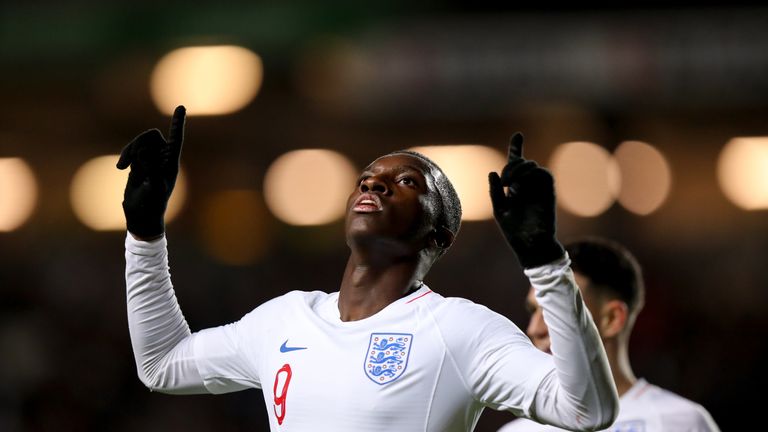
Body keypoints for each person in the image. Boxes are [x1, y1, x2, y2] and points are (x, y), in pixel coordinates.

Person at [117, 105, 619, 431]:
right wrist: (144, 234)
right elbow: (161, 364)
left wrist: (546, 261)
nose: (375, 185)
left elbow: (587, 409)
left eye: (406, 182)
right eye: (367, 178)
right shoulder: (283, 320)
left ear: (439, 236)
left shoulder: (461, 330)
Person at [498, 238, 720, 432]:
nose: (535, 329)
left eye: (556, 312)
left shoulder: (680, 423)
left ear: (612, 319)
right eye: (534, 310)